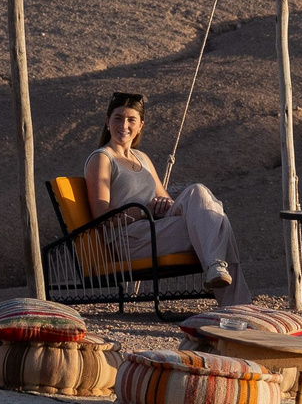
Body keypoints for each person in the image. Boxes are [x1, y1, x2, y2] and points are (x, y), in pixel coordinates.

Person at [85, 91, 247, 301]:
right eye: (118, 118)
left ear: (140, 126)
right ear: (108, 122)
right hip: (129, 239)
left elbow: (168, 202)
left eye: (131, 120)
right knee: (217, 224)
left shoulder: (142, 158)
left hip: (155, 230)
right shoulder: (102, 159)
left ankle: (217, 269)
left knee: (198, 192)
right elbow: (101, 217)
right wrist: (143, 212)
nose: (124, 125)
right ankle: (236, 302)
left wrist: (163, 204)